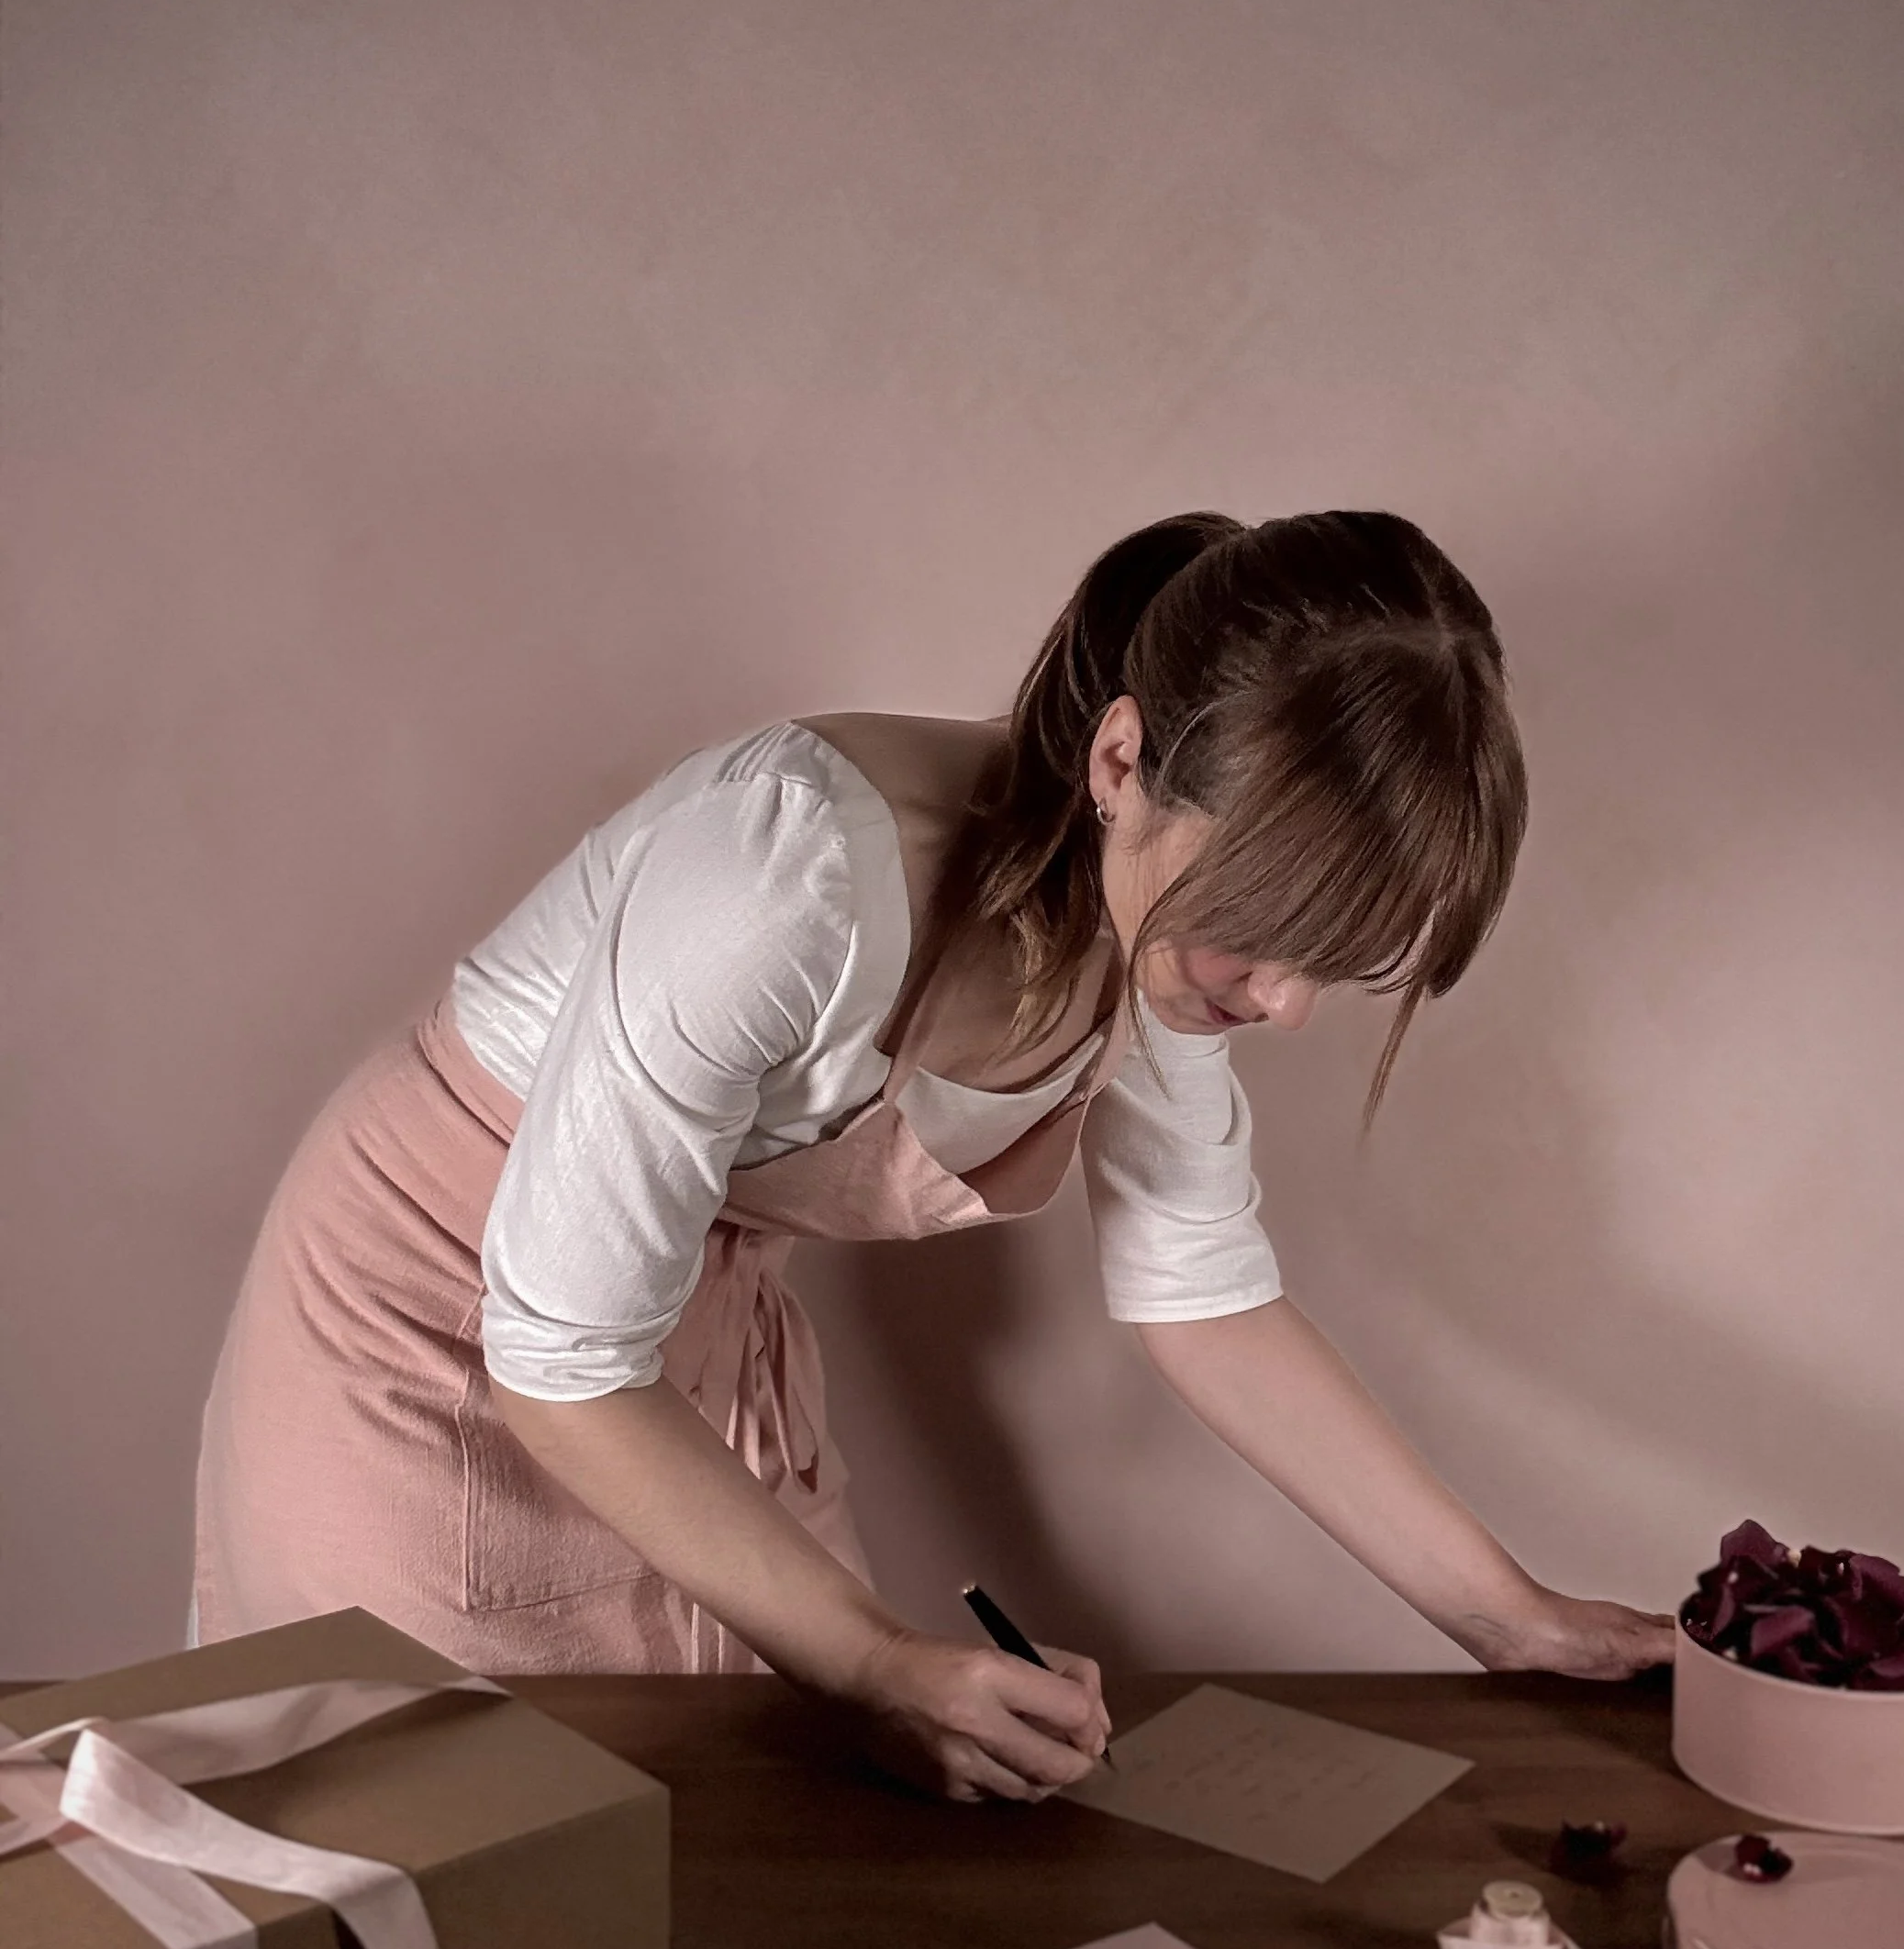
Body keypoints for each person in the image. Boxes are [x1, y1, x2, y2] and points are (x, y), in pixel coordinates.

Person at [193, 510, 1672, 1802]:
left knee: (739, 1828)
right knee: (461, 1860)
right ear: (1122, 758)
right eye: (1266, 934)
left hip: (675, 1335)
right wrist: (877, 1658)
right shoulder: (787, 872)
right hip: (428, 1328)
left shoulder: (1147, 929)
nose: (1280, 1005)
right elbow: (561, 1359)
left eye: (1331, 965)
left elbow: (1203, 1297)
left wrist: (1512, 1616)